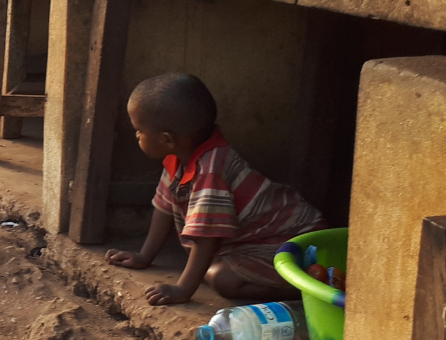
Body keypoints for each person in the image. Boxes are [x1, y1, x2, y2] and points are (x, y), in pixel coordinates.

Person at [106, 73, 327, 306]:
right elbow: (164, 206)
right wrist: (143, 257)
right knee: (210, 268)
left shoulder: (211, 172)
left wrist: (183, 290)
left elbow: (207, 238)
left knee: (221, 278)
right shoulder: (179, 159)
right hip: (255, 243)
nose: (136, 136)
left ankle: (306, 290)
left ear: (167, 140)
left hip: (296, 241)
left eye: (139, 130)